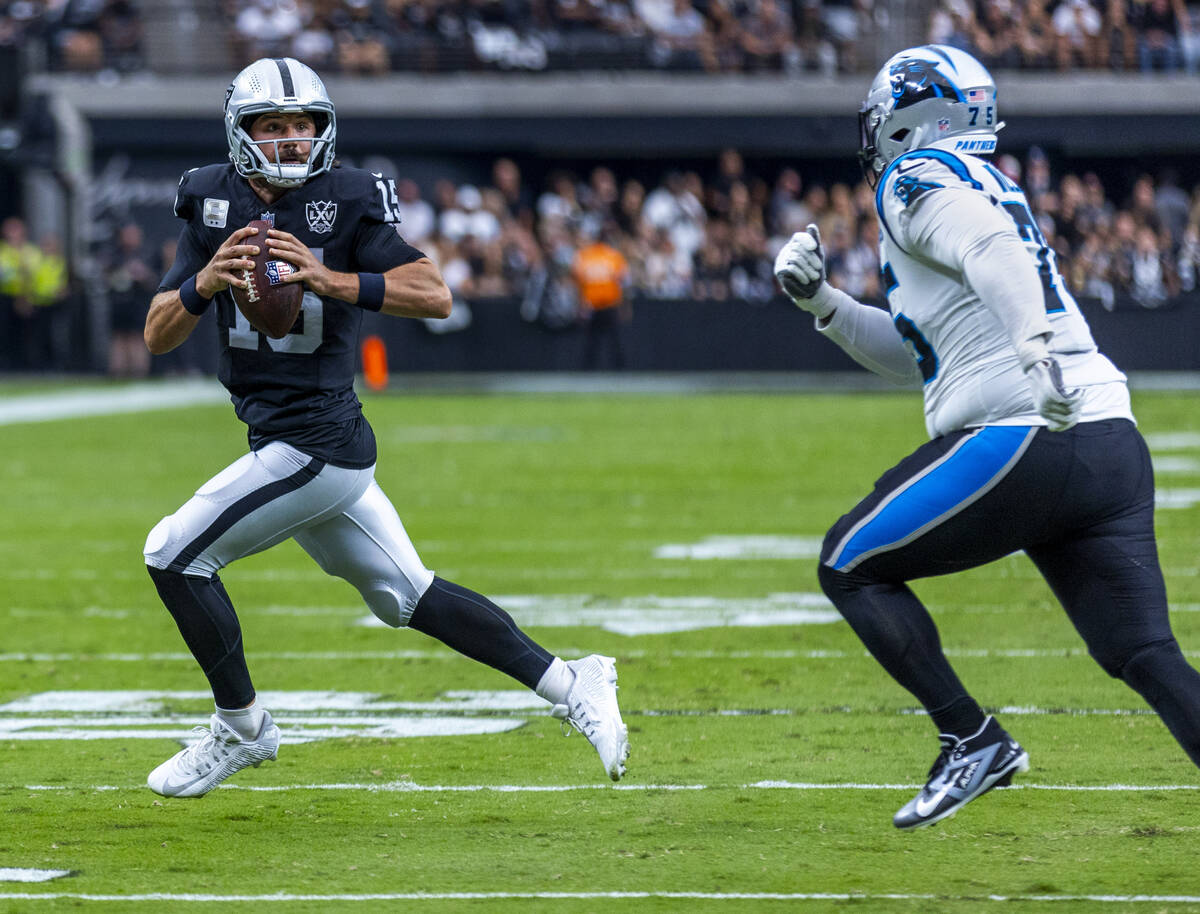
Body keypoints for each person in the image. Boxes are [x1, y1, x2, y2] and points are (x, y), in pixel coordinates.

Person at [141, 57, 628, 798]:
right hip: (283, 439)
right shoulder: (210, 199)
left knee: (173, 554)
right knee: (408, 596)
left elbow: (433, 293)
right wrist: (204, 281)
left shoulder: (348, 198)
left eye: (304, 125)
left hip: (317, 444)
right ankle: (574, 682)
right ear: (243, 133)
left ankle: (240, 728)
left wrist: (330, 281)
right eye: (275, 126)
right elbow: (156, 334)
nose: (294, 140)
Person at [773, 44, 1200, 829]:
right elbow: (924, 355)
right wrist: (825, 304)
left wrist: (1034, 351)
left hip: (1028, 431)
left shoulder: (916, 177)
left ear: (910, 121)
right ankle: (972, 739)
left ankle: (970, 737)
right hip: (1106, 438)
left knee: (850, 562)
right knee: (1145, 656)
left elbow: (989, 251)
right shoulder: (984, 183)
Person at [571, 223, 631, 369]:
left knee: (597, 341)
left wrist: (580, 304)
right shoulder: (613, 256)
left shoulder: (585, 255)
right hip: (605, 304)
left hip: (595, 305)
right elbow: (622, 282)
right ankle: (617, 369)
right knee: (607, 341)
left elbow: (578, 282)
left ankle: (590, 370)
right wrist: (624, 305)